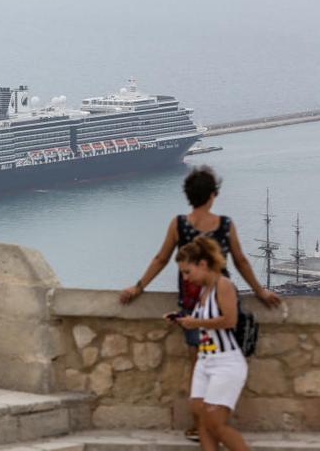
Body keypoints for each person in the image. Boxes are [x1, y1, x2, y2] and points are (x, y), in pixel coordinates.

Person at [119, 165, 279, 441]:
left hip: (192, 301)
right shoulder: (225, 224)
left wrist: (138, 286)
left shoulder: (179, 223)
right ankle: (216, 421)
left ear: (188, 195)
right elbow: (240, 261)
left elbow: (161, 258)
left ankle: (199, 424)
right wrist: (260, 291)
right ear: (212, 195)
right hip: (223, 298)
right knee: (227, 355)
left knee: (198, 362)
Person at [171, 237, 249, 451]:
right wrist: (183, 321)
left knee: (215, 424)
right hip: (205, 362)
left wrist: (195, 322)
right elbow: (205, 324)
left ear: (202, 264)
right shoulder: (204, 291)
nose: (185, 278)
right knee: (202, 421)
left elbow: (230, 320)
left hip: (226, 363)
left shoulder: (223, 286)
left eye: (187, 271)